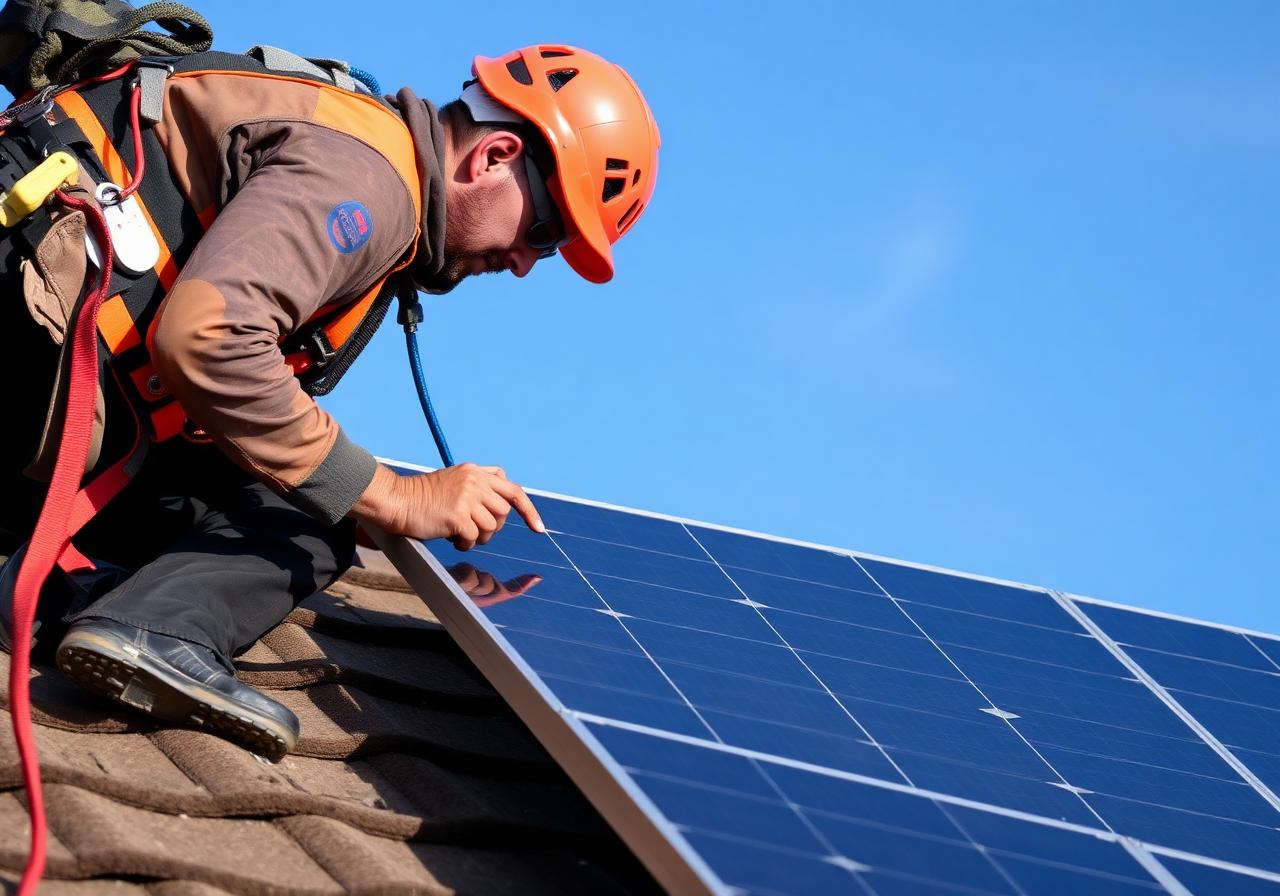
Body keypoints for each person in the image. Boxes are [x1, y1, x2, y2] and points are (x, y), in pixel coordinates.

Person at [0, 42, 661, 760]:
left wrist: (361, 496)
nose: (528, 262)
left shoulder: (368, 163)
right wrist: (386, 495)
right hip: (28, 346)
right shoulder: (369, 177)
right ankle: (156, 632)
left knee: (319, 498)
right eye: (545, 229)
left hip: (45, 368)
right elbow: (209, 335)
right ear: (494, 155)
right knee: (321, 507)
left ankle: (80, 603)